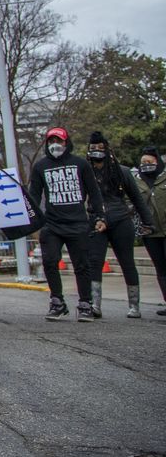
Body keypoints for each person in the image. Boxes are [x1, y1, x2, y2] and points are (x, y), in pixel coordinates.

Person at [28, 127, 106, 322]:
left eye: (59, 141)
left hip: (78, 223)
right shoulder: (40, 167)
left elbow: (94, 192)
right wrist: (30, 220)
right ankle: (57, 302)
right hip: (52, 223)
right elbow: (34, 195)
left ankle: (85, 303)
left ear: (66, 142)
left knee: (82, 265)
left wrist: (100, 216)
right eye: (51, 141)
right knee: (49, 261)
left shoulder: (80, 164)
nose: (55, 144)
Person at [84, 132, 153, 318]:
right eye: (93, 149)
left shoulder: (121, 171)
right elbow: (80, 200)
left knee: (127, 262)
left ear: (107, 149)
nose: (97, 152)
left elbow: (137, 199)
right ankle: (95, 305)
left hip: (121, 219)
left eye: (100, 148)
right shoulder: (85, 172)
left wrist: (148, 222)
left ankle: (134, 306)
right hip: (96, 221)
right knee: (95, 262)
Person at [133, 147, 166, 316]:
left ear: (157, 162)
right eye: (143, 163)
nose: (146, 165)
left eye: (150, 162)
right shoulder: (137, 181)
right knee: (160, 268)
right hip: (150, 232)